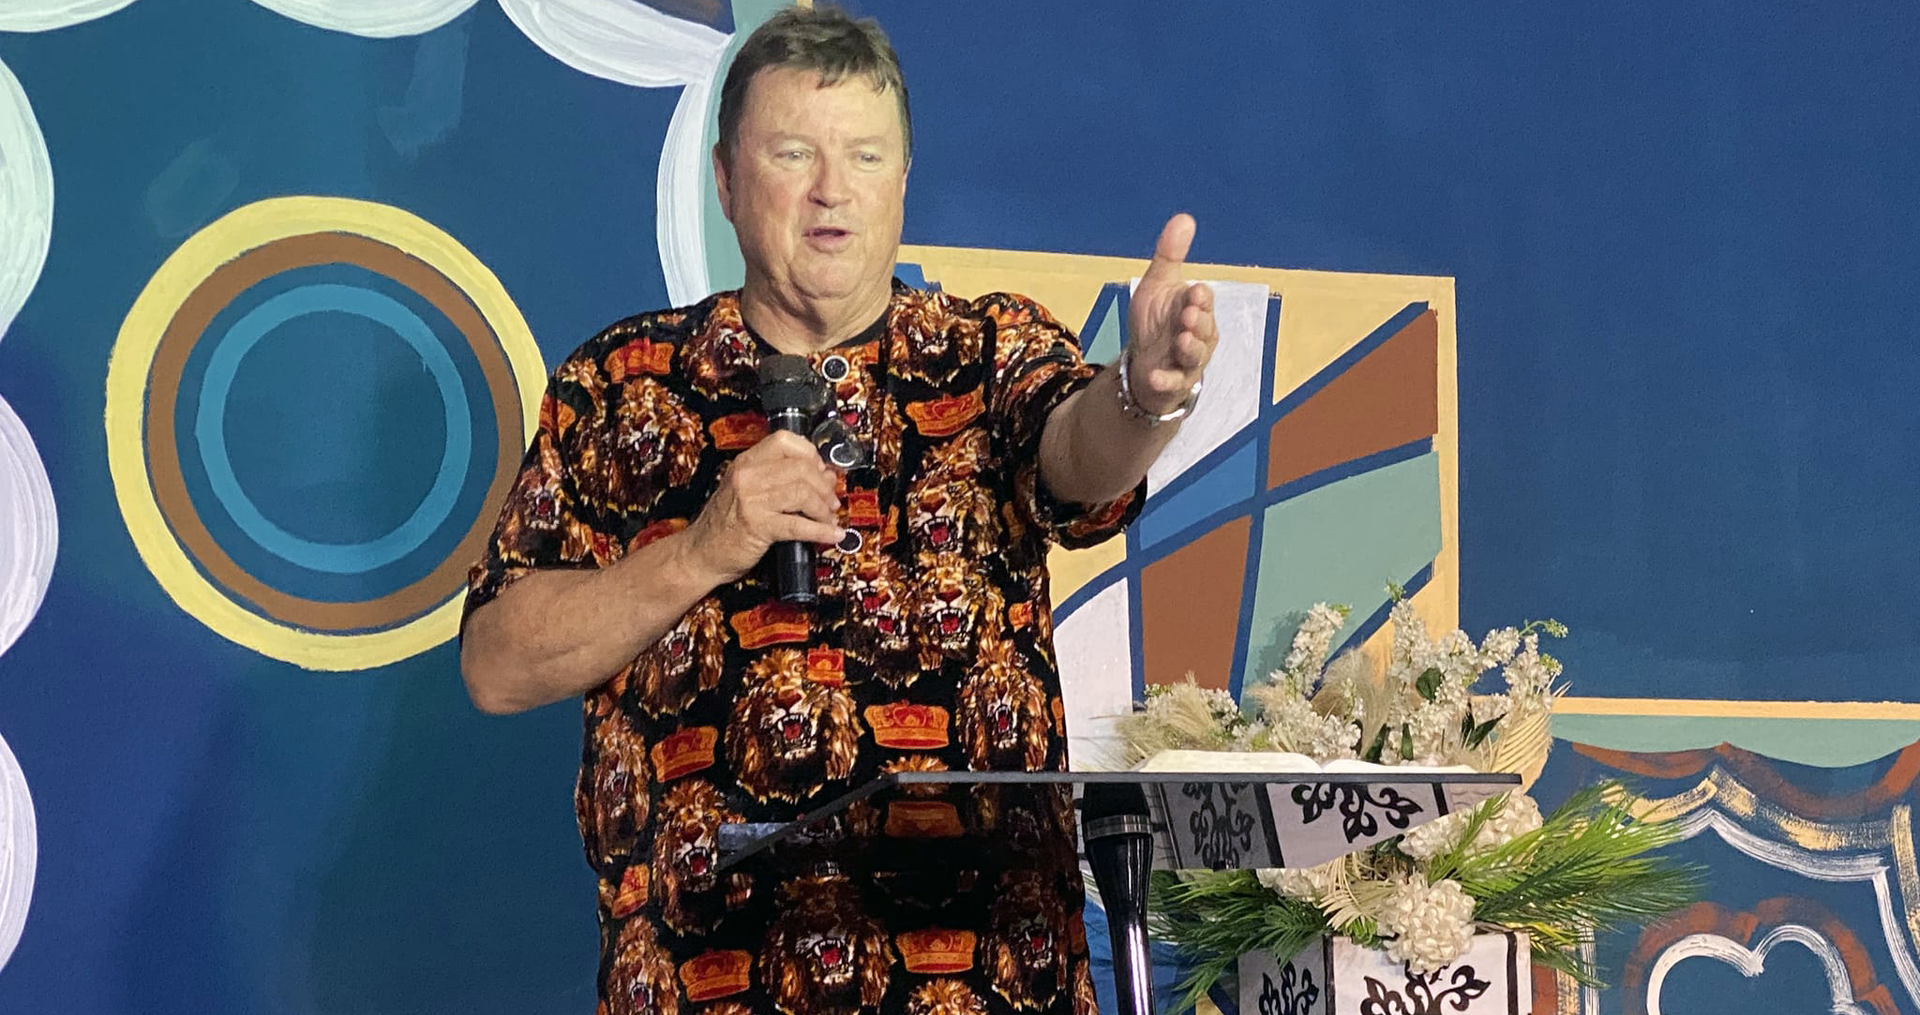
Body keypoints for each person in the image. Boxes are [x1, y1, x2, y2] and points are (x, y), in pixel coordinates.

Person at [459, 7, 1218, 1015]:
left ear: (901, 181)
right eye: (792, 153)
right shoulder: (619, 382)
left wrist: (1146, 391)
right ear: (725, 181)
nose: (831, 190)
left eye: (865, 155)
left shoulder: (989, 354)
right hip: (703, 979)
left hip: (988, 980)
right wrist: (703, 550)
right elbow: (496, 664)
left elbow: (1079, 458)